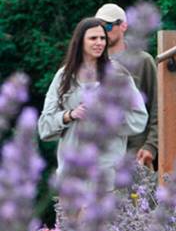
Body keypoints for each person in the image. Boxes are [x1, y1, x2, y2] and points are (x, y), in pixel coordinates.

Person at [38, 17, 148, 191]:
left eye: (102, 38)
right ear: (79, 41)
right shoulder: (63, 76)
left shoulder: (118, 75)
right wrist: (69, 115)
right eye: (93, 38)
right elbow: (44, 127)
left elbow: (140, 118)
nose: (99, 43)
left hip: (107, 177)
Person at [95, 3, 159, 169]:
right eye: (98, 26)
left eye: (107, 26)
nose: (102, 31)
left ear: (123, 26)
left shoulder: (143, 60)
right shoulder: (89, 62)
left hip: (135, 156)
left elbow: (158, 107)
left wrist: (151, 146)